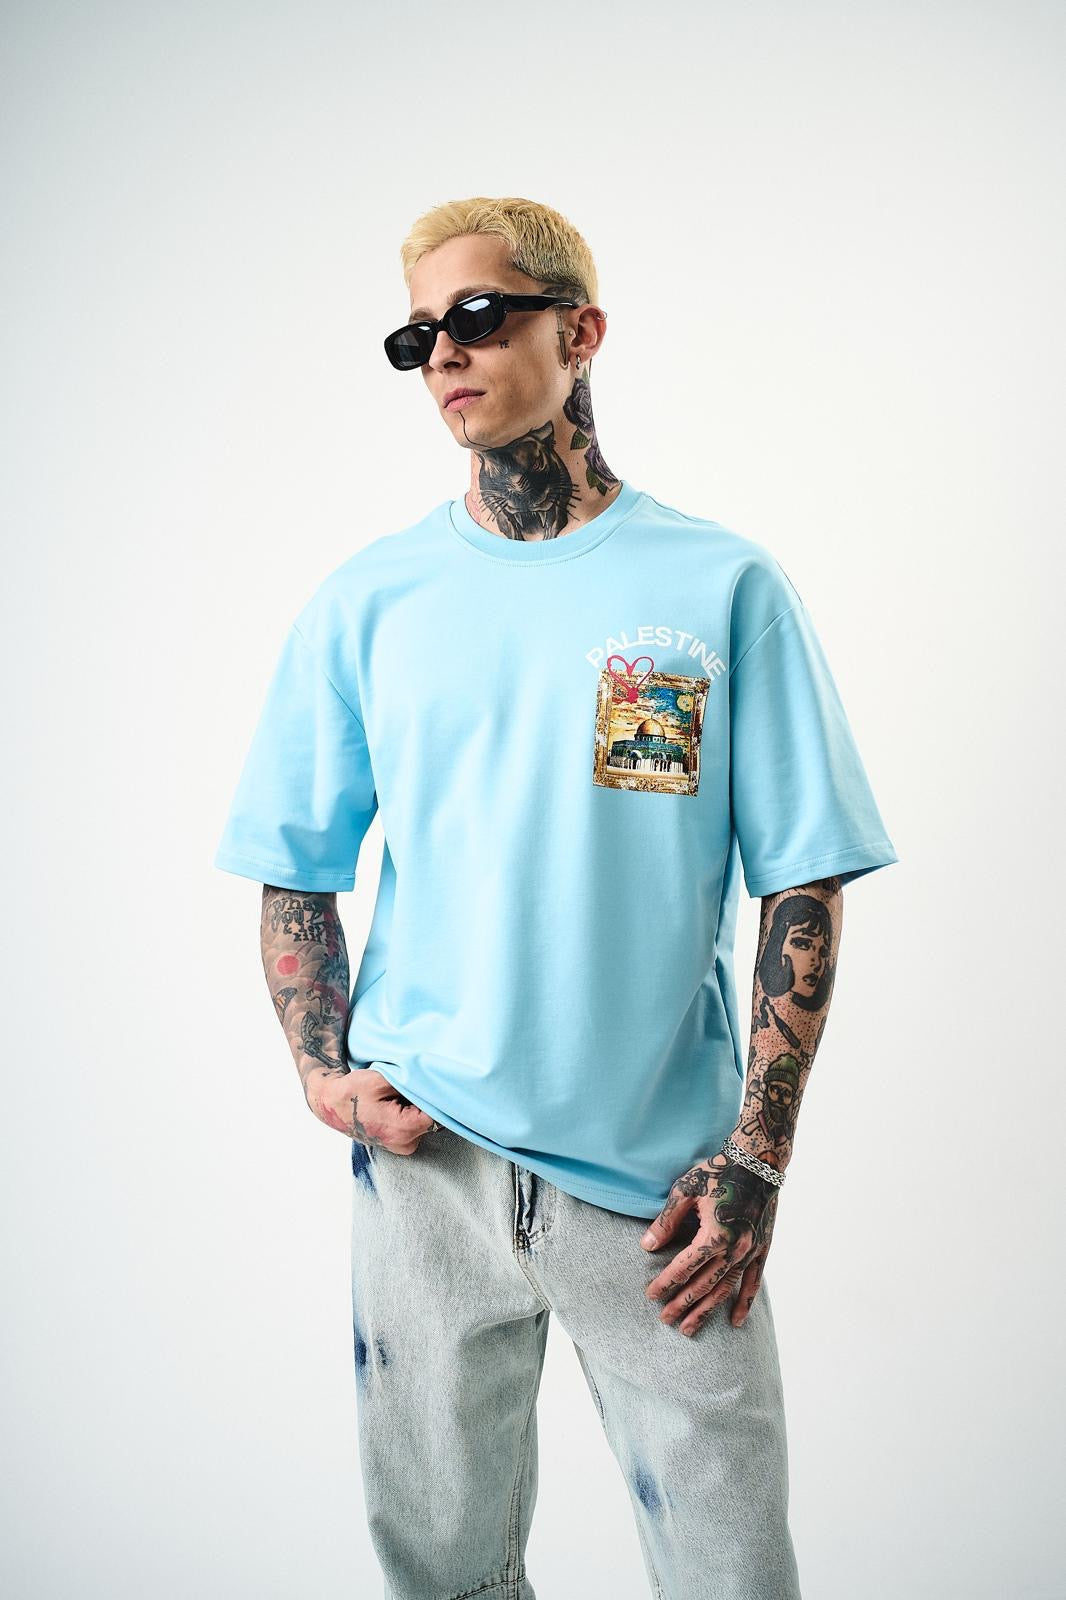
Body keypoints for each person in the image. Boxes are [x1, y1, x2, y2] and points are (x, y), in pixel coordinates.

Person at [214, 194, 899, 1599]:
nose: (444, 354)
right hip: (429, 1162)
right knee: (444, 1572)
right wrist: (324, 1075)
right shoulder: (368, 603)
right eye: (417, 335)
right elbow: (296, 864)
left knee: (729, 1570)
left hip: (660, 1187)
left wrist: (756, 1157)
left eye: (477, 315)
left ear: (579, 332)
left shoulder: (718, 584)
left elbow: (802, 878)